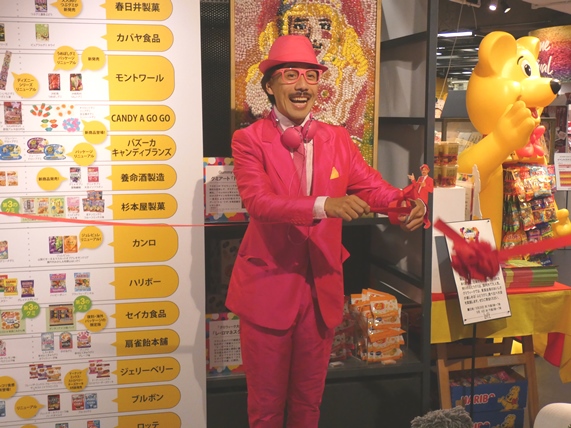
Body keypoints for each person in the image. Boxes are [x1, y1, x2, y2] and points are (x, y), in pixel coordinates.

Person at [225, 35, 426, 428]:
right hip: (268, 288)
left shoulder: (337, 138)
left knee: (309, 404)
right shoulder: (248, 140)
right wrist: (324, 205)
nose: (302, 85)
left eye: (310, 76)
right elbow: (259, 203)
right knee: (265, 409)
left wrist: (405, 203)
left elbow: (373, 187)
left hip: (322, 289)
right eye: (290, 75)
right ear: (270, 86)